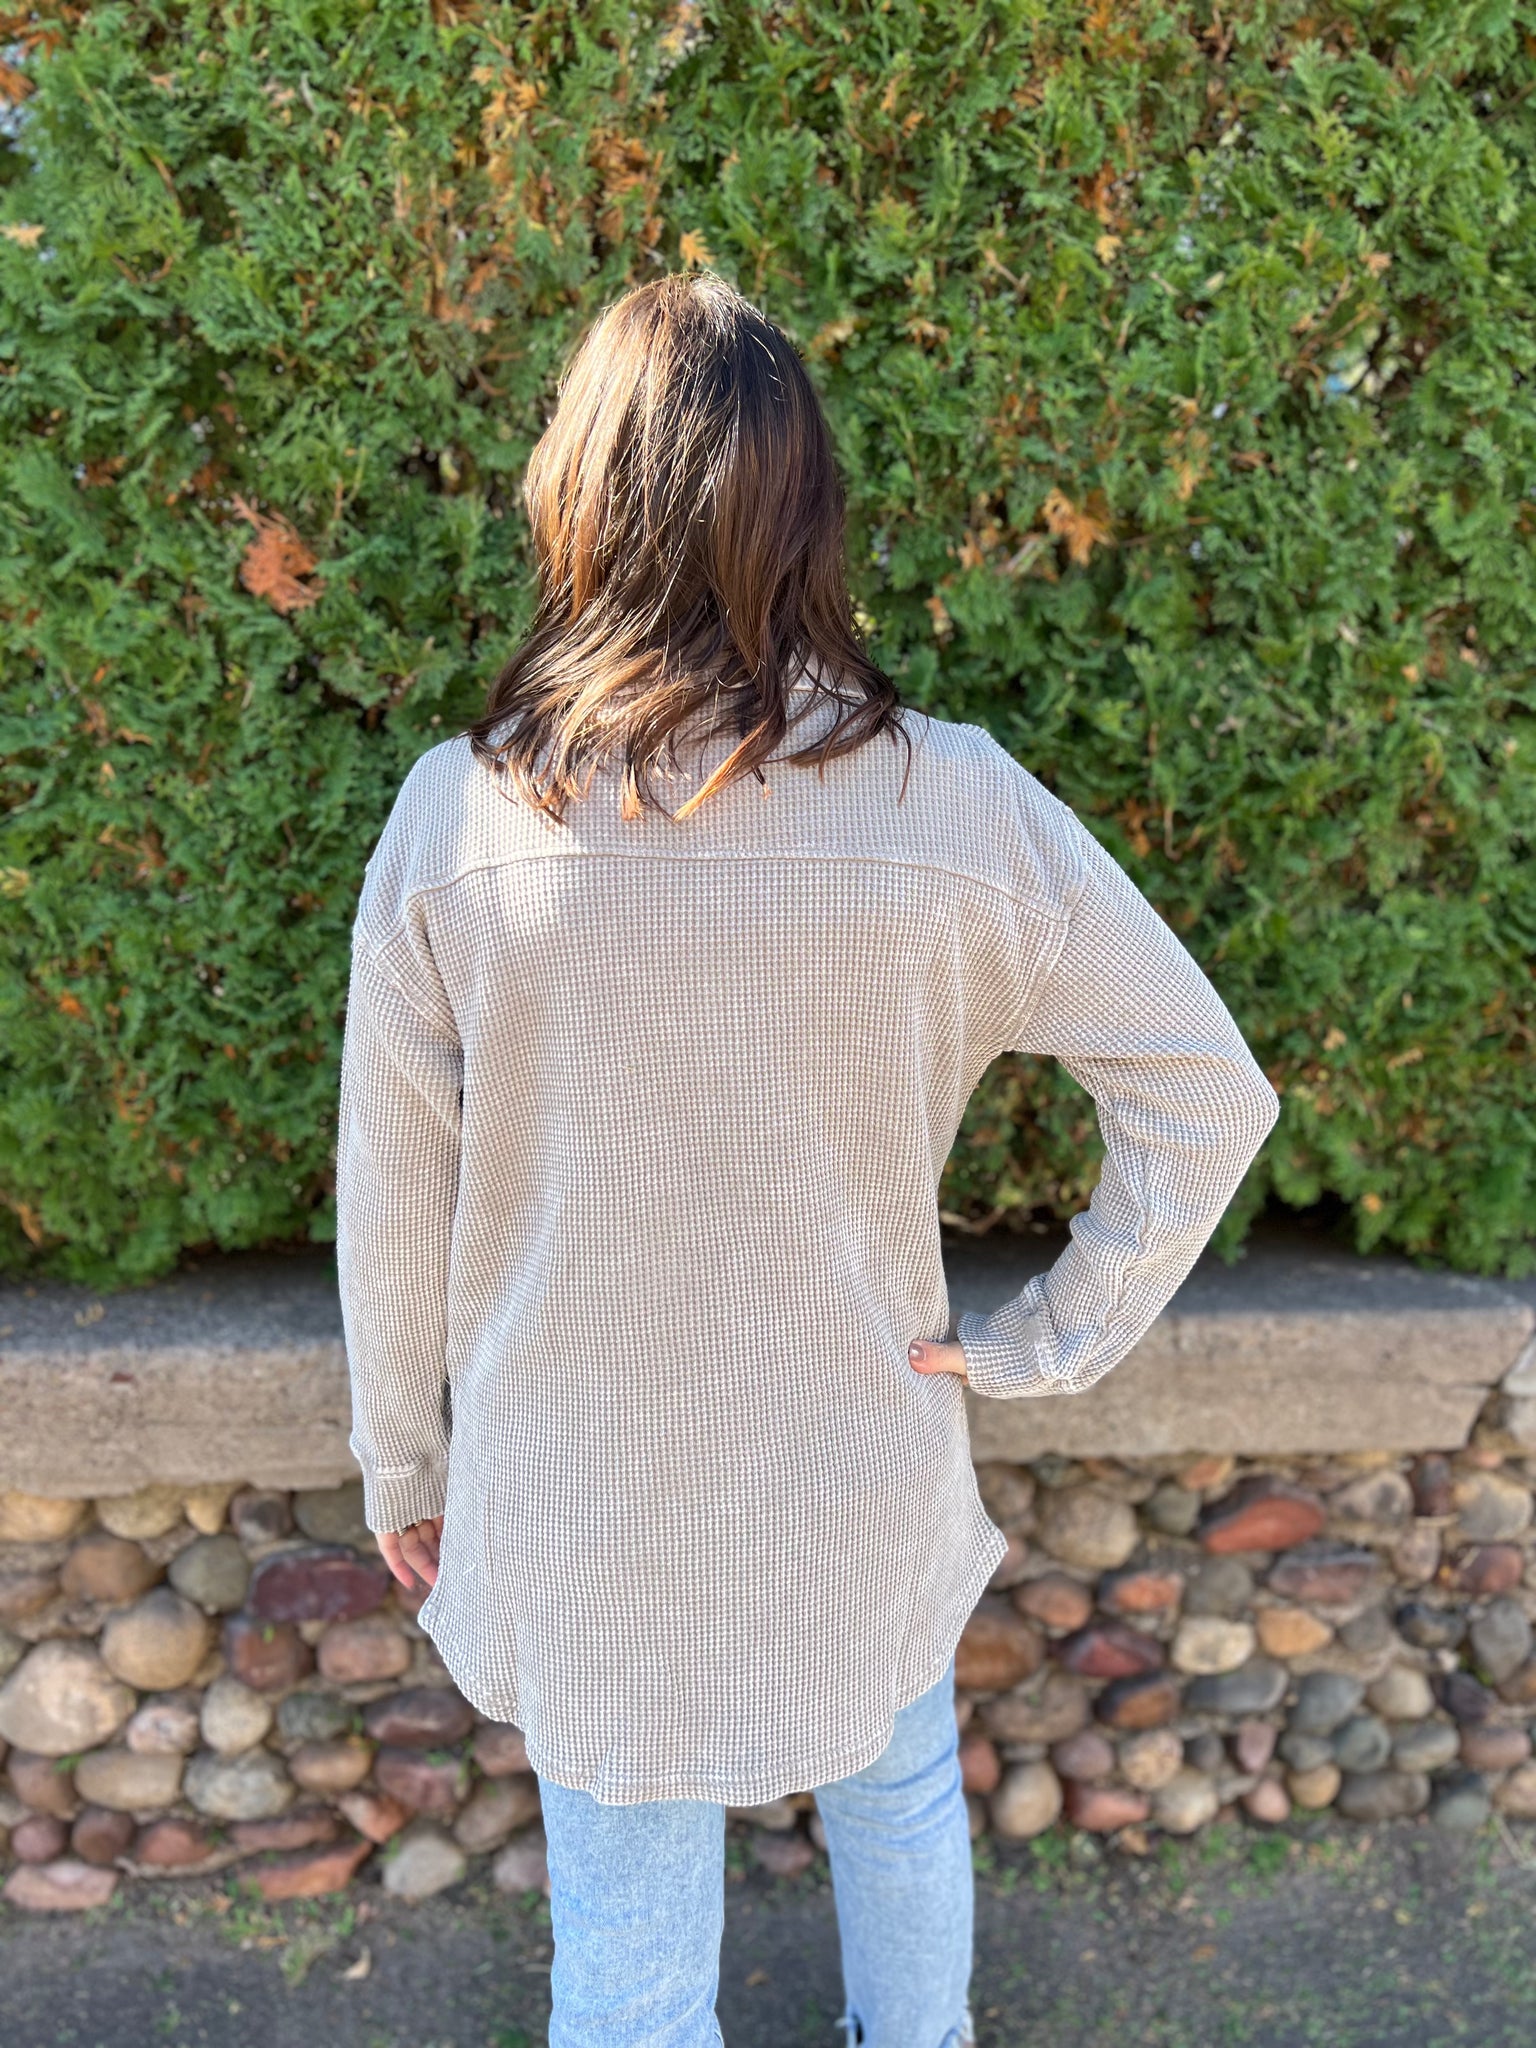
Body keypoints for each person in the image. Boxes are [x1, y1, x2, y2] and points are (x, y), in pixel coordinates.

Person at [336, 269, 1279, 2047]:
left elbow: (394, 1190)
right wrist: (1045, 1342)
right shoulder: (958, 799)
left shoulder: (462, 816)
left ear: (575, 499)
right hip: (854, 1440)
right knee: (899, 1781)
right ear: (808, 510)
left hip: (580, 1470)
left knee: (631, 1940)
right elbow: (1204, 1090)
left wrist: (407, 1461)